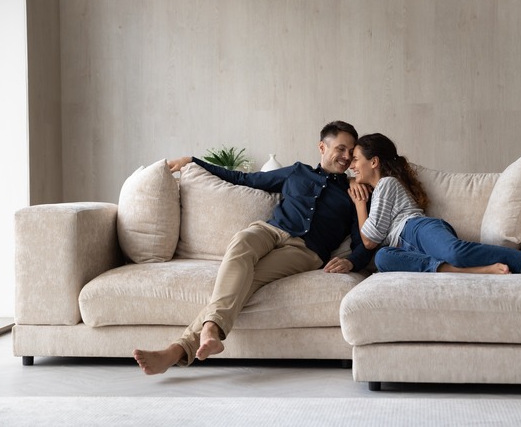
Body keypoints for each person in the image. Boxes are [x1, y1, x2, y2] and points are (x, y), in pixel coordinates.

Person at [133, 121, 375, 375]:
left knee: (248, 281)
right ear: (322, 147)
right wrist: (193, 161)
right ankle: (209, 331)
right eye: (341, 149)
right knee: (241, 242)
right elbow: (243, 178)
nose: (346, 157)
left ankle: (179, 349)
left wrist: (352, 261)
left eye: (351, 152)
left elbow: (364, 242)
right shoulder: (296, 172)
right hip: (270, 231)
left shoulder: (354, 192)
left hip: (305, 251)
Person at [347, 133, 521, 276]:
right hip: (406, 246)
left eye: (356, 159)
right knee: (382, 259)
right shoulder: (377, 192)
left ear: (374, 161)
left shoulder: (387, 184)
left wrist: (360, 204)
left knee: (455, 252)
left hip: (418, 229)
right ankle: (468, 272)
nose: (352, 165)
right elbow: (374, 243)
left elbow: (369, 239)